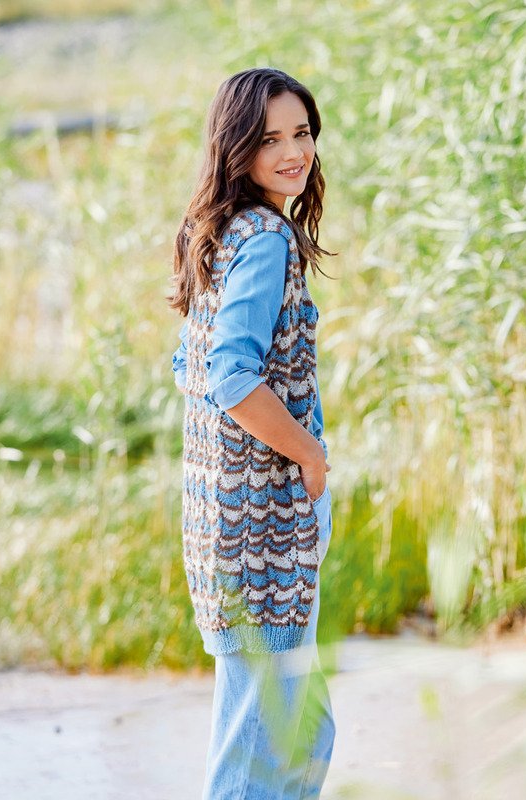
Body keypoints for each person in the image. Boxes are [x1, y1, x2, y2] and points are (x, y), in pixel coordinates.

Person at [168, 66, 336, 800]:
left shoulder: (222, 231)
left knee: (304, 733)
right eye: (270, 139)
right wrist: (310, 456)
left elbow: (188, 363)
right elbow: (229, 377)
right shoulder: (265, 238)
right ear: (236, 146)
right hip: (263, 529)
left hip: (225, 522)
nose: (293, 152)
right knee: (258, 759)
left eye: (301, 133)